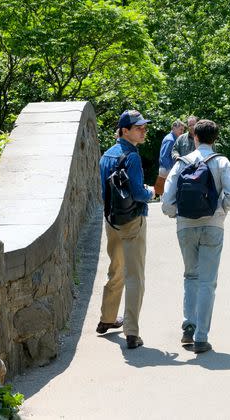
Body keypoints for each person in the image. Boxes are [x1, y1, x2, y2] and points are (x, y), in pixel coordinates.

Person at [161, 119, 230, 353]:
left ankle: (188, 327)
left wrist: (175, 213)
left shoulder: (182, 162)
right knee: (208, 281)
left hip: (185, 225)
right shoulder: (221, 161)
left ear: (194, 137)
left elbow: (167, 201)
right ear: (215, 138)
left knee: (190, 276)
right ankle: (201, 337)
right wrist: (223, 208)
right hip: (213, 224)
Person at [97, 110, 155, 349]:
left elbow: (104, 191)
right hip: (132, 220)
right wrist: (150, 192)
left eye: (144, 127)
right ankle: (132, 332)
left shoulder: (106, 156)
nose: (143, 131)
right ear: (124, 131)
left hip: (111, 221)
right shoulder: (131, 157)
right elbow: (139, 193)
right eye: (138, 127)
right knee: (135, 276)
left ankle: (107, 319)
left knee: (116, 270)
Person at [155, 119, 185, 196]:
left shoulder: (173, 138)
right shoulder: (170, 139)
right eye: (181, 129)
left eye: (183, 130)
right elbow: (164, 157)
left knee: (167, 193)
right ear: (174, 128)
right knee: (167, 193)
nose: (182, 132)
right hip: (167, 169)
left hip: (166, 169)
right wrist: (171, 170)